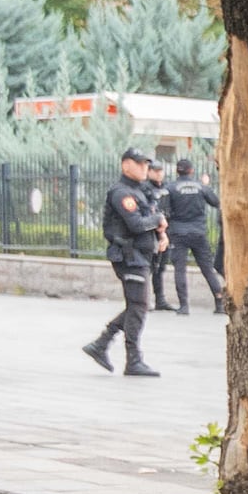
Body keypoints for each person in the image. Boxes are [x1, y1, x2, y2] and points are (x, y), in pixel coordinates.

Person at [84, 152, 166, 376]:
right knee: (138, 306)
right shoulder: (121, 192)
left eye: (146, 165)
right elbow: (137, 224)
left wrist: (161, 235)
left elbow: (150, 216)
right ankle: (132, 360)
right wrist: (158, 221)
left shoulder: (140, 191)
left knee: (136, 306)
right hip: (128, 256)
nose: (144, 169)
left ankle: (101, 344)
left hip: (140, 256)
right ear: (126, 165)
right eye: (140, 164)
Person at [157, 155, 226, 315]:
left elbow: (164, 210)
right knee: (208, 269)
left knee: (179, 269)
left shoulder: (171, 188)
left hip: (178, 232)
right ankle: (219, 303)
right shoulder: (201, 187)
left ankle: (184, 306)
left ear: (177, 171)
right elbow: (217, 202)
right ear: (191, 170)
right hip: (198, 232)